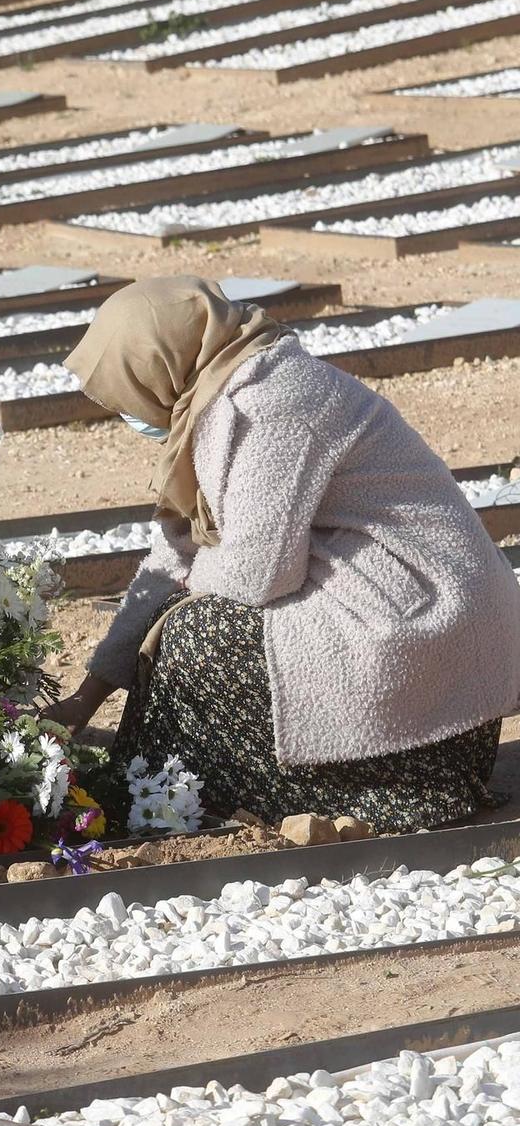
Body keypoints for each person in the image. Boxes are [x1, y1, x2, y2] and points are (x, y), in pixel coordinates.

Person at [43, 275, 520, 831]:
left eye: (126, 392)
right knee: (179, 625)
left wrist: (166, 618)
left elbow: (257, 574)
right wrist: (89, 693)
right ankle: (157, 788)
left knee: (197, 637)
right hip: (386, 599)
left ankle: (373, 790)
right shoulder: (215, 398)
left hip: (422, 622)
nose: (129, 412)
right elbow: (170, 558)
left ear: (160, 366)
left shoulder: (270, 400)